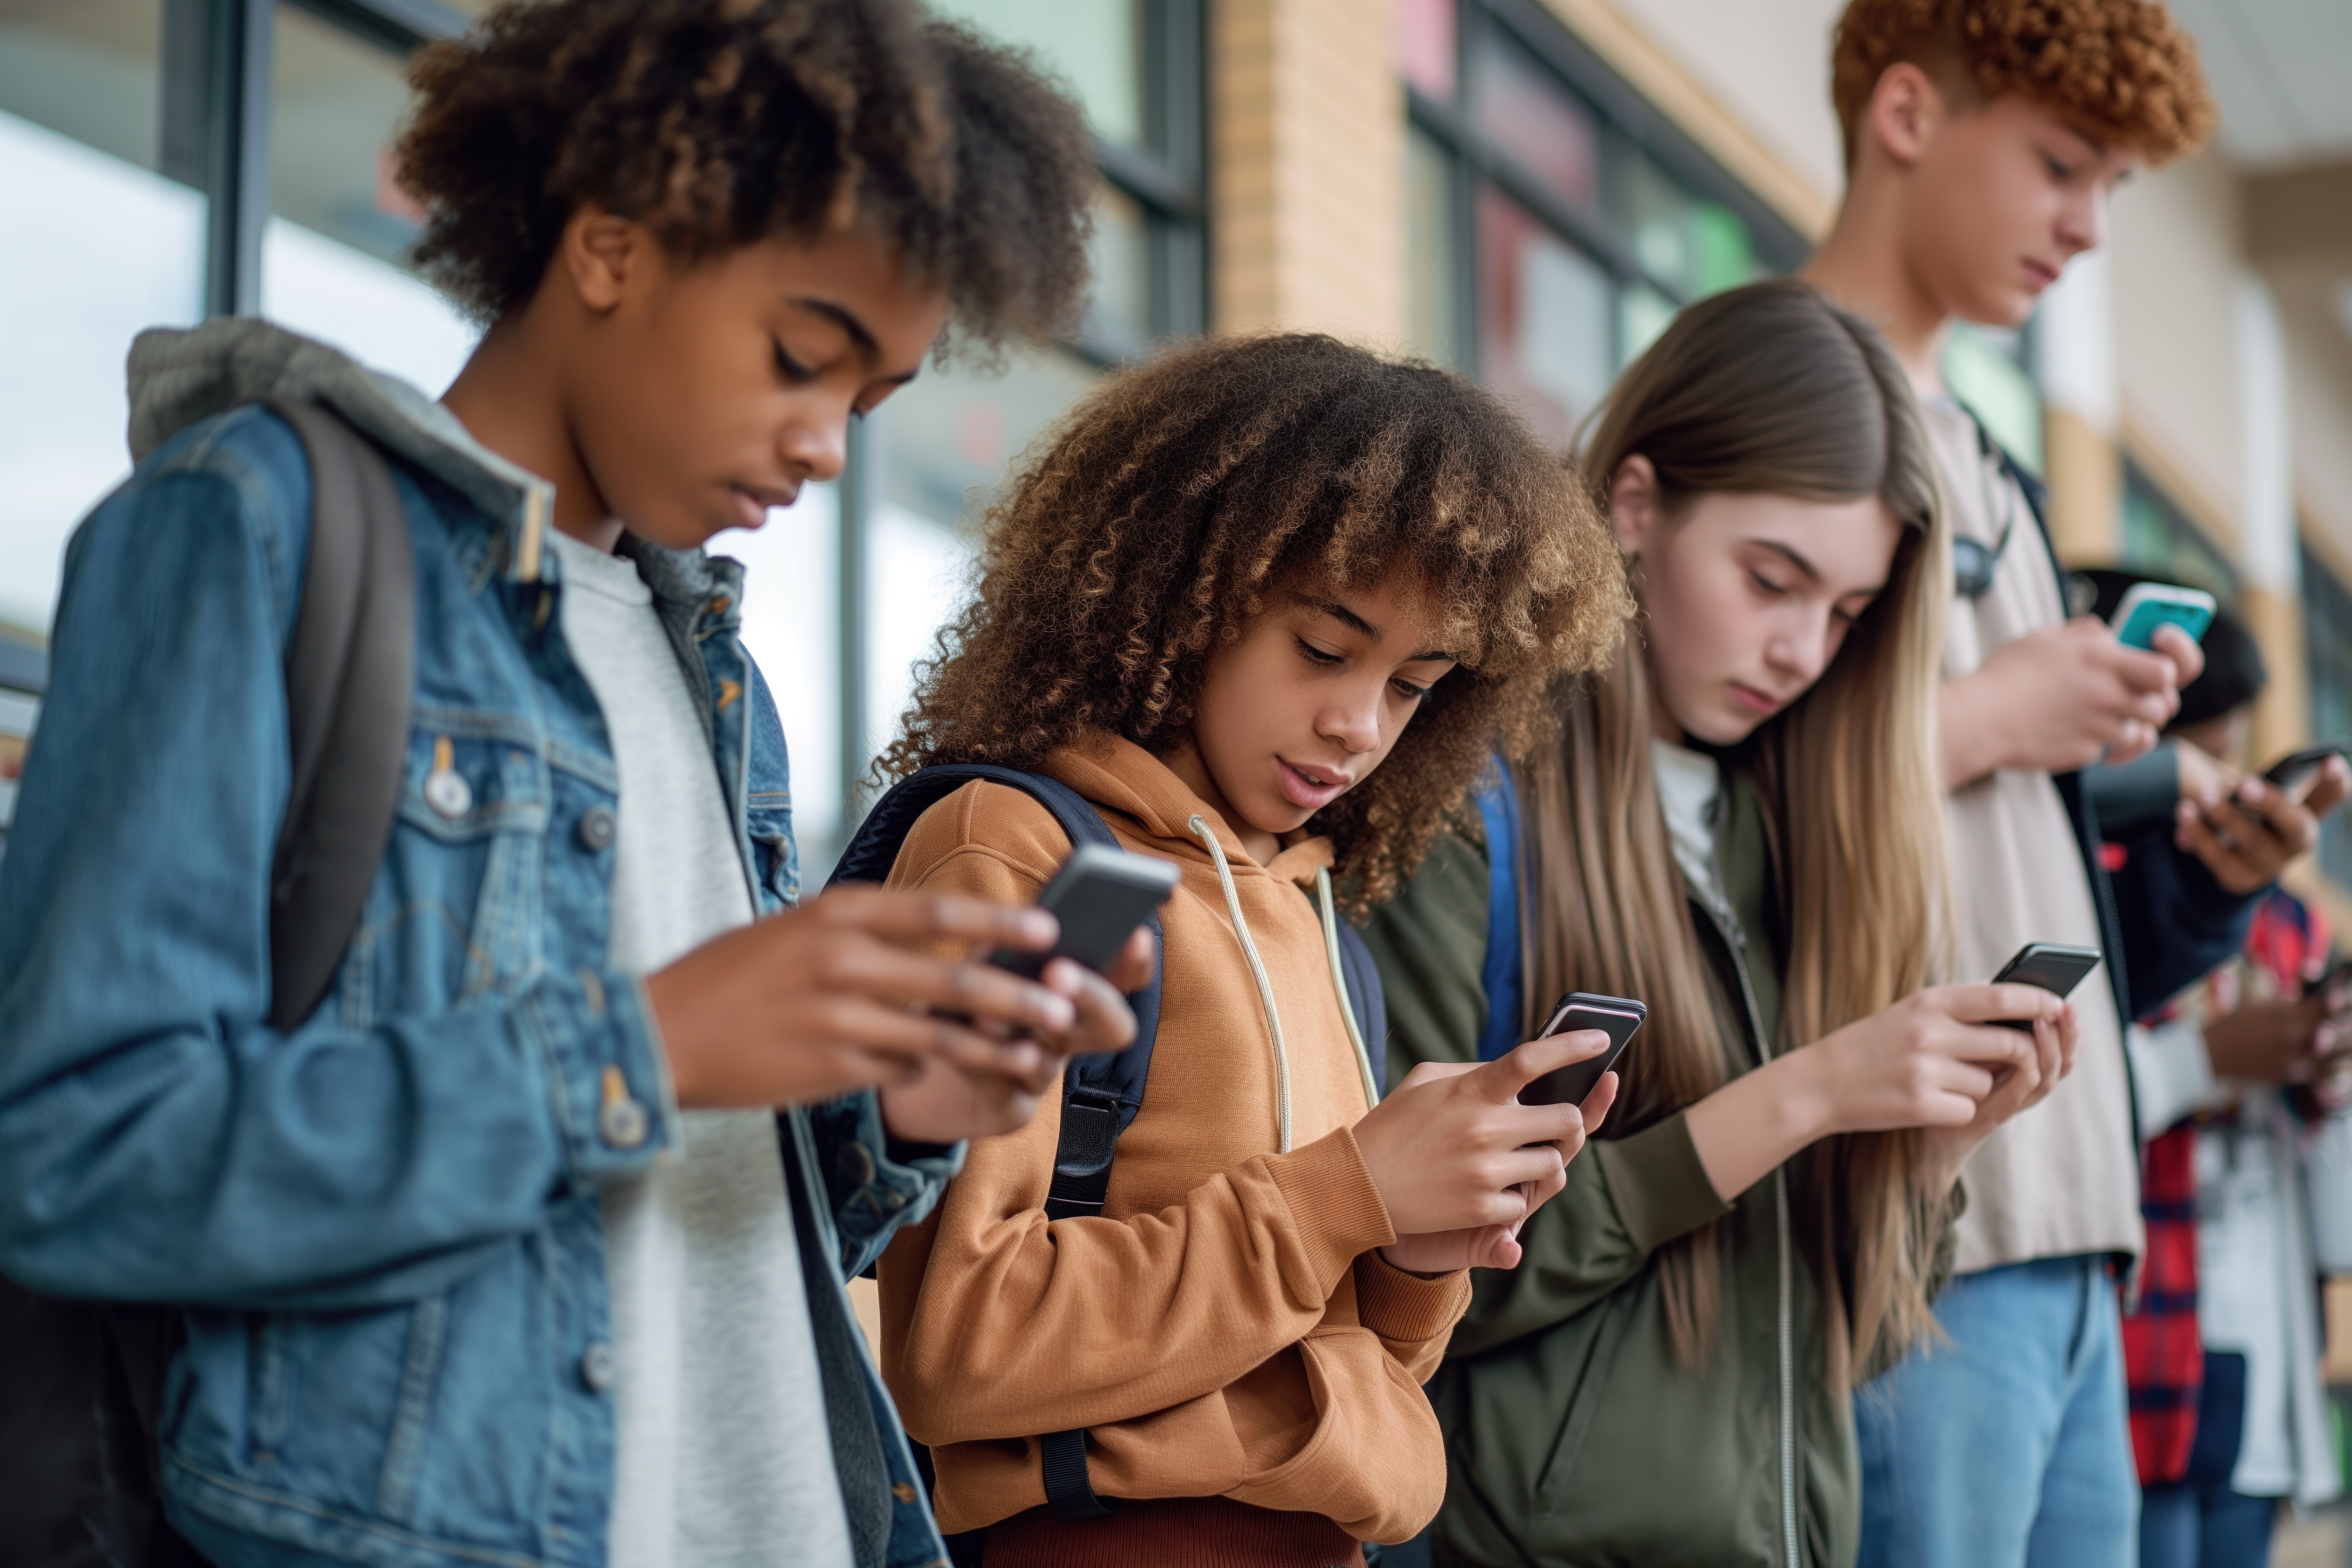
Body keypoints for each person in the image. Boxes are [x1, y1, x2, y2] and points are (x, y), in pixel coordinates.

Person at [0, 5, 1136, 1568]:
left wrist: (908, 1105)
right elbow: (80, 1158)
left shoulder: (717, 676)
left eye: (865, 405)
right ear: (611, 242)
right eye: (801, 358)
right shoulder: (250, 529)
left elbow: (711, 1220)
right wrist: (647, 1043)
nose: (820, 447)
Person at [871, 331, 1633, 1566]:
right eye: (1325, 650)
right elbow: (957, 1349)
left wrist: (1413, 1257)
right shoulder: (1042, 864)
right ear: (1175, 593)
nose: (1357, 724)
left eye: (1413, 686)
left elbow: (1348, 1377)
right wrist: (1345, 1195)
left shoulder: (1322, 923)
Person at [1358, 278, 2077, 1568]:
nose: (1804, 649)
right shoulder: (1462, 799)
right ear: (1636, 507)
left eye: (1849, 614)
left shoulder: (1793, 827)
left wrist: (1927, 1160)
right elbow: (1401, 1281)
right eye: (1771, 579)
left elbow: (1835, 1340)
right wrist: (1801, 1097)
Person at [1801, 5, 2349, 1564]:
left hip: (2072, 1227)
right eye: (2059, 166)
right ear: (1905, 112)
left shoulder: (1991, 463)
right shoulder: (1759, 407)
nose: (2088, 230)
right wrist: (1987, 714)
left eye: (2110, 187)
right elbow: (1680, 815)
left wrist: (2201, 885)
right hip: (1915, 1232)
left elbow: (2022, 880)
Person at [2093, 581, 2352, 1568]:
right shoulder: (2093, 878)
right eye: (2204, 756)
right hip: (2138, 1339)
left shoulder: (2287, 920)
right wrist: (2203, 1058)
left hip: (2258, 1340)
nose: (2224, 786)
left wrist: (2318, 1075)